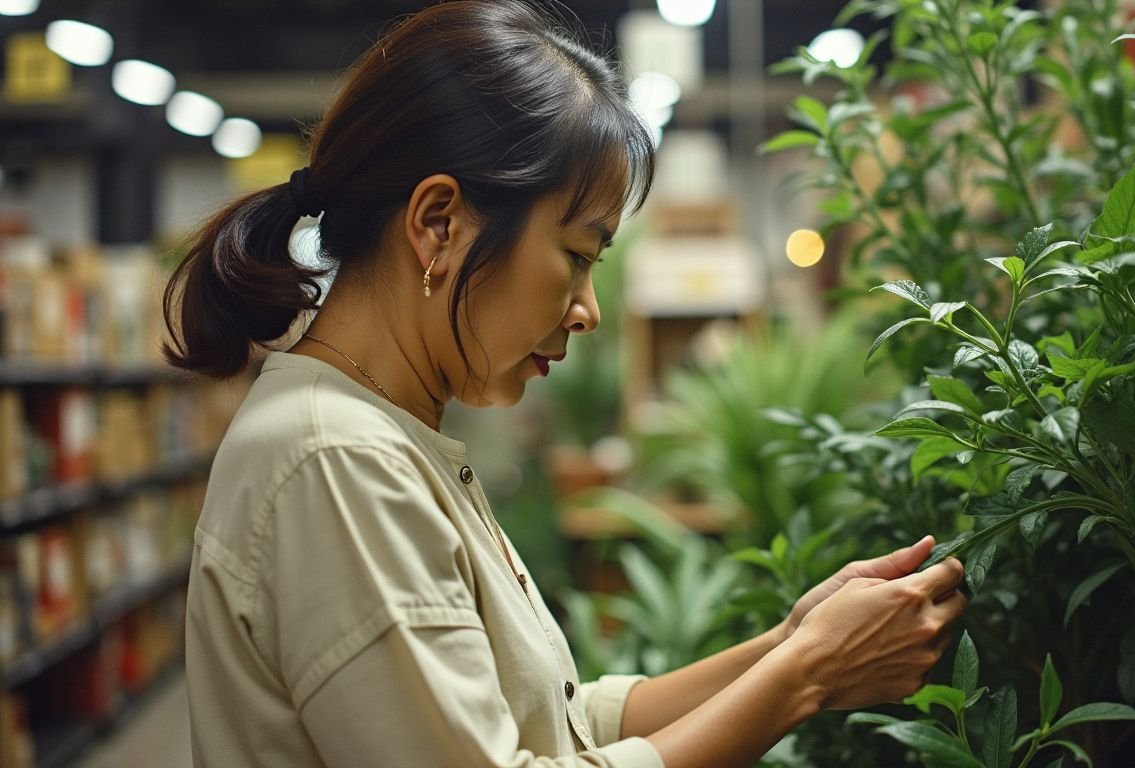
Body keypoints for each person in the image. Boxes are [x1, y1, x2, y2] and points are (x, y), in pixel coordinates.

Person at [164, 2, 967, 766]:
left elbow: (556, 722)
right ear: (439, 223)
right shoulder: (335, 461)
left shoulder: (377, 437)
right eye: (579, 256)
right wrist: (805, 678)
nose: (587, 310)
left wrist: (790, 644)